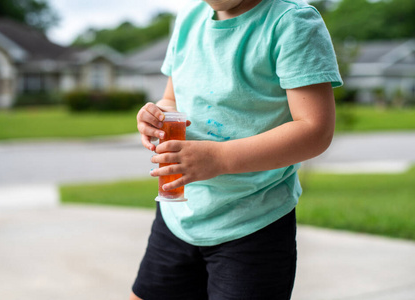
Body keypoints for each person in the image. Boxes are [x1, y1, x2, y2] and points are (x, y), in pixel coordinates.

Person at [131, 0, 342, 299]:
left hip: (253, 223)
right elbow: (171, 100)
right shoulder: (189, 20)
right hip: (178, 216)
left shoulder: (291, 22)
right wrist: (156, 116)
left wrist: (218, 158)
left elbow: (315, 130)